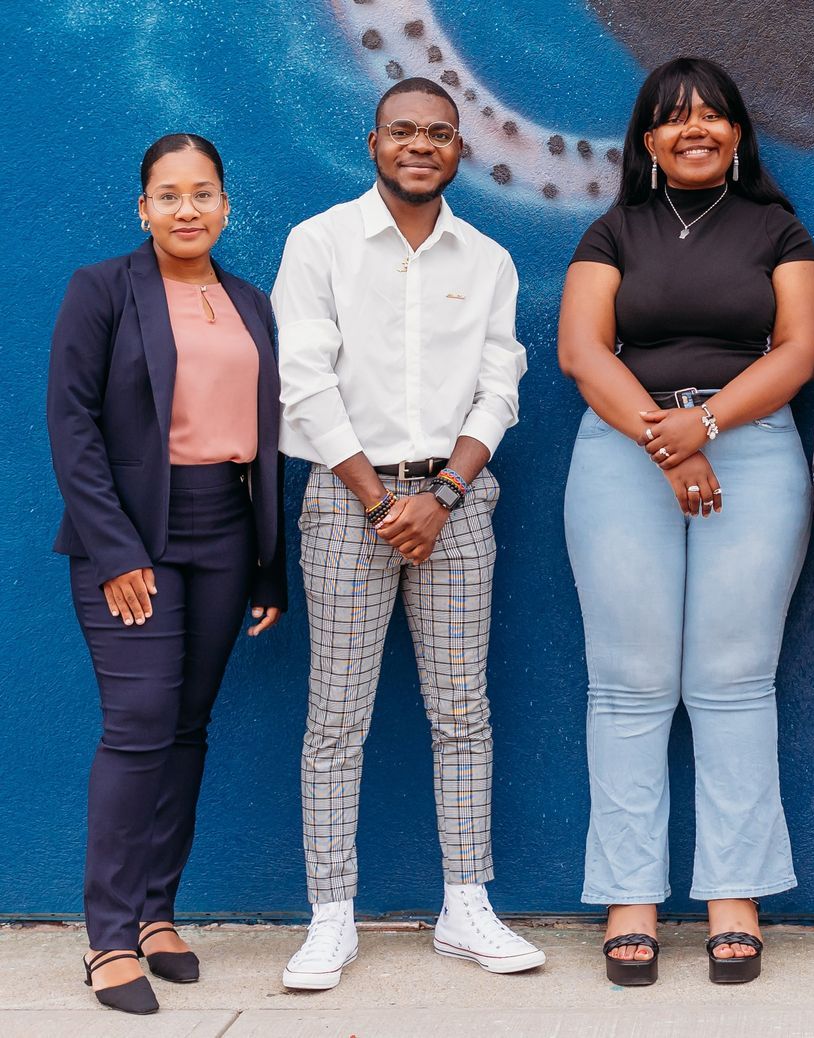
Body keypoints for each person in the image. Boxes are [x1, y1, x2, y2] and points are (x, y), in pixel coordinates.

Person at [557, 56, 814, 987]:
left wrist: (706, 425)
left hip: (750, 448)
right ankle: (631, 898)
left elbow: (798, 350)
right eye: (674, 120)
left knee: (734, 680)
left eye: (713, 115)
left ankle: (733, 895)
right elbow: (583, 351)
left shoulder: (777, 229)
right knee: (628, 683)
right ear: (648, 142)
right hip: (622, 450)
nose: (695, 130)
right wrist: (668, 440)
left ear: (739, 134)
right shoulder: (612, 230)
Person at [274, 77, 535, 990]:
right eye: (403, 132)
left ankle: (466, 906)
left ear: (460, 149)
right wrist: (382, 501)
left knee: (463, 711)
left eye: (439, 133)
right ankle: (331, 917)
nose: (420, 145)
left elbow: (499, 387)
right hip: (348, 501)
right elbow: (304, 384)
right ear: (373, 142)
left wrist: (445, 493)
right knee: (336, 717)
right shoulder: (320, 244)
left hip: (455, 506)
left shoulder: (489, 259)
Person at [49, 133, 285, 1015]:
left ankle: (156, 914)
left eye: (205, 193)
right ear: (142, 206)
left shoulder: (252, 303)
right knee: (140, 721)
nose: (188, 209)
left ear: (227, 206)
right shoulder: (103, 291)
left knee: (187, 725)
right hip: (133, 535)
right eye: (169, 194)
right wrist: (115, 553)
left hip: (226, 532)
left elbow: (264, 443)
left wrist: (269, 570)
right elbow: (71, 425)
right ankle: (108, 938)